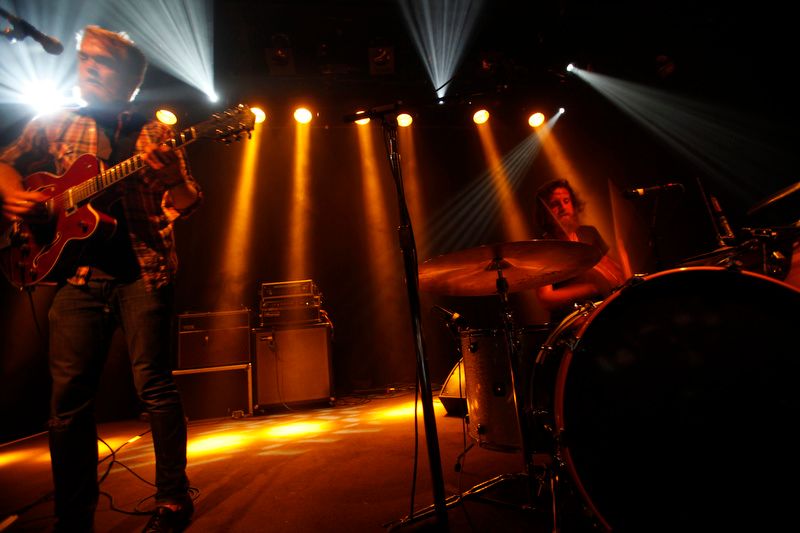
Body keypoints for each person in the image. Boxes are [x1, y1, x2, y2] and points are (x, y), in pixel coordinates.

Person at [0, 26, 200, 532]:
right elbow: (6, 162)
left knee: (154, 388)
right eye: (84, 58)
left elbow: (187, 202)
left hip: (144, 270)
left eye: (101, 61)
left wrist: (174, 177)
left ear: (130, 79)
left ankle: (173, 498)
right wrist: (14, 195)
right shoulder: (57, 119)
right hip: (77, 275)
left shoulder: (155, 135)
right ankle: (74, 516)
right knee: (67, 404)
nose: (86, 67)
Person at [533, 179, 625, 321]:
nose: (563, 207)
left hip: (602, 309)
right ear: (545, 213)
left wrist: (619, 273)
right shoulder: (544, 248)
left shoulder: (589, 233)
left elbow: (612, 269)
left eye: (566, 201)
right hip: (574, 318)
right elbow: (545, 298)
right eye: (555, 204)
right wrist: (591, 288)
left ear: (573, 204)